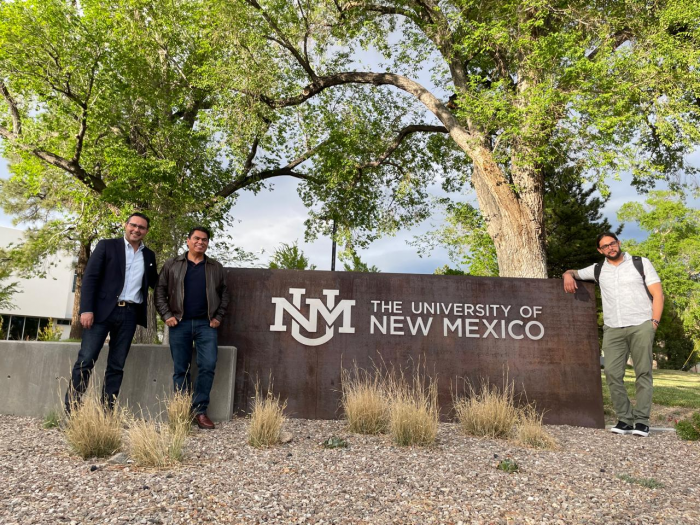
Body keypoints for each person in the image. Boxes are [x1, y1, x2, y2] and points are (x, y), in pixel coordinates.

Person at [563, 232, 664, 437]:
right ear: (600, 250)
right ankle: (625, 419)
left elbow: (658, 294)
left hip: (641, 325)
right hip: (613, 329)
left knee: (643, 373)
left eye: (612, 243)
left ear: (618, 243)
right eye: (605, 246)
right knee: (611, 373)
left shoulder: (640, 263)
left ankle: (642, 421)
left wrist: (653, 323)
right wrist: (567, 275)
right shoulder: (598, 269)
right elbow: (574, 272)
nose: (610, 248)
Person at [65, 213, 158, 411]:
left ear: (146, 231)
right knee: (86, 360)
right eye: (133, 225)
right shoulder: (106, 245)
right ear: (126, 225)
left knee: (117, 365)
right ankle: (72, 408)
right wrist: (86, 309)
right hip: (101, 313)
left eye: (141, 227)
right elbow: (90, 278)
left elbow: (155, 283)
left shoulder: (149, 256)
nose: (136, 230)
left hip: (130, 315)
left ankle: (107, 411)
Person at [155, 226, 229, 429]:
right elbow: (159, 291)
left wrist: (218, 317)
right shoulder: (172, 264)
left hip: (206, 325)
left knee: (208, 365)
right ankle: (181, 411)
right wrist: (167, 315)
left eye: (204, 240)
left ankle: (200, 411)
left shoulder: (215, 267)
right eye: (196, 238)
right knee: (181, 369)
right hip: (180, 323)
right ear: (188, 241)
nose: (200, 242)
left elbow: (225, 295)